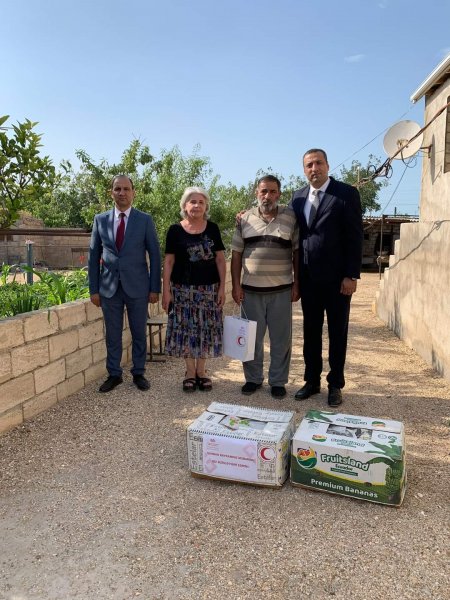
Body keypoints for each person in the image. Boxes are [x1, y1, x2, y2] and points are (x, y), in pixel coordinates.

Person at [290, 149, 363, 406]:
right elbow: (288, 227)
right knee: (310, 332)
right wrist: (246, 215)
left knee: (337, 333)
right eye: (309, 164)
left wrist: (351, 275)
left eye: (318, 163)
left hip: (337, 281)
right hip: (309, 279)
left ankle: (335, 384)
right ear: (304, 169)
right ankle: (312, 381)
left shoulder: (345, 194)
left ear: (328, 165)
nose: (314, 168)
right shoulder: (297, 198)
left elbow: (355, 237)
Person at [88, 175, 161, 393]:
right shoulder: (100, 220)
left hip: (138, 287)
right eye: (118, 189)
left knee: (139, 332)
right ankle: (114, 374)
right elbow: (93, 256)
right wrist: (93, 289)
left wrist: (154, 287)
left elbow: (155, 254)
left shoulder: (144, 220)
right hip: (109, 289)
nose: (122, 193)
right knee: (112, 334)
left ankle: (139, 373)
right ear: (111, 192)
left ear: (133, 192)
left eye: (126, 189)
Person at [231, 175, 299, 399]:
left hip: (281, 290)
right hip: (251, 291)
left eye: (272, 191)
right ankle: (253, 379)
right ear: (256, 193)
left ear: (279, 193)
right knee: (251, 339)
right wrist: (235, 286)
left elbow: (297, 253)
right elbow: (236, 254)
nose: (267, 196)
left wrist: (297, 284)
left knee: (281, 340)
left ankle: (278, 382)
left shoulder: (291, 217)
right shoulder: (245, 219)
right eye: (263, 191)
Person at [162, 187, 226, 392]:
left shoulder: (213, 228)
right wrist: (166, 290)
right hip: (181, 289)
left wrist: (222, 288)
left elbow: (220, 259)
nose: (196, 205)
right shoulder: (174, 230)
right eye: (192, 201)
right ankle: (190, 371)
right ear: (184, 205)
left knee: (205, 329)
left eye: (201, 202)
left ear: (206, 205)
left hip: (208, 289)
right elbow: (169, 262)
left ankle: (202, 371)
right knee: (186, 329)